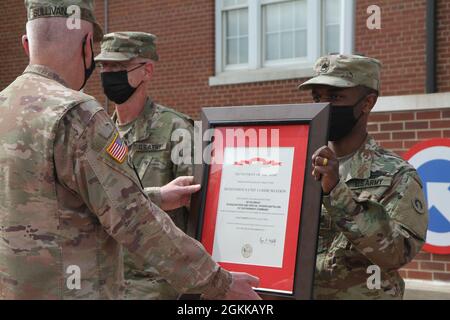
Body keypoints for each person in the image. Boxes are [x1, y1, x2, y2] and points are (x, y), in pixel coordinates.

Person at [0, 0, 260, 300]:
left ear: (25, 44)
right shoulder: (78, 114)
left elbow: (63, 201)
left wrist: (158, 197)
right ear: (87, 45)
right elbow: (132, 218)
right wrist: (220, 283)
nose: (107, 72)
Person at [299, 54, 428, 300]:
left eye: (335, 97)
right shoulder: (297, 164)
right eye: (317, 97)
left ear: (367, 102)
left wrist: (336, 191)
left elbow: (397, 253)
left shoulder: (397, 174)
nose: (322, 106)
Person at [94, 31, 195, 300]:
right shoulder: (99, 133)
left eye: (120, 67)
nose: (109, 74)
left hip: (157, 285)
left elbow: (197, 207)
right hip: (107, 281)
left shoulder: (176, 129)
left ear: (147, 70)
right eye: (105, 66)